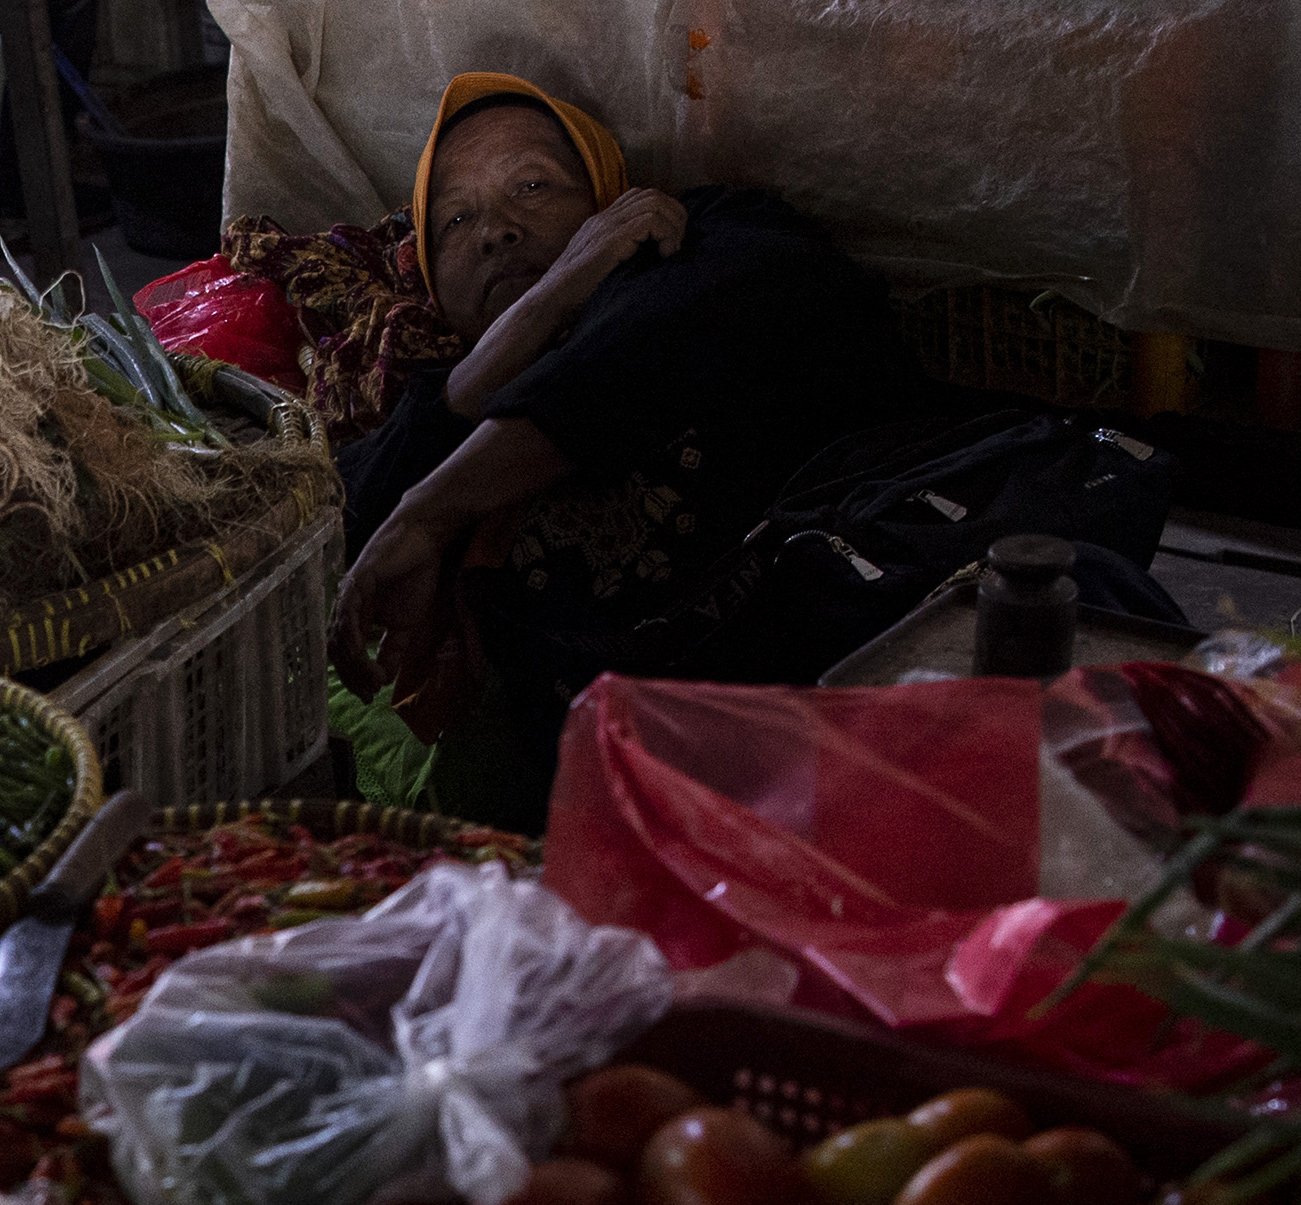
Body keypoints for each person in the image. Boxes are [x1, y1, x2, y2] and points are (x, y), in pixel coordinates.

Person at [330, 73, 925, 822]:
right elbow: (341, 517)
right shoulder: (431, 414)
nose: (496, 231)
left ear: (611, 203)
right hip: (651, 803)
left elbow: (643, 348)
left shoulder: (717, 236)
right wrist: (489, 362)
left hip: (884, 685)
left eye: (533, 187)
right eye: (455, 220)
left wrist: (434, 509)